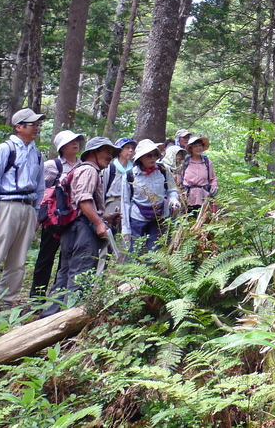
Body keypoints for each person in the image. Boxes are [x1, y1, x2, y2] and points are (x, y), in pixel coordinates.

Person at [0, 108, 46, 319]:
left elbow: (40, 185)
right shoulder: (5, 149)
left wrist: (37, 211)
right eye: (32, 125)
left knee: (18, 260)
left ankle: (6, 305)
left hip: (28, 208)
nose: (36, 128)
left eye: (37, 124)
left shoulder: (36, 153)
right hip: (6, 206)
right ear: (19, 127)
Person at [43, 137, 120, 318]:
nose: (110, 156)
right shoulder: (89, 170)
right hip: (82, 230)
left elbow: (80, 203)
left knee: (65, 273)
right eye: (105, 151)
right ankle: (69, 321)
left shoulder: (80, 169)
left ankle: (50, 317)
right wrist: (99, 223)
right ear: (92, 153)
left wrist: (105, 216)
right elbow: (84, 200)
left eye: (111, 153)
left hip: (72, 228)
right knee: (80, 274)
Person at [30, 130, 85, 300]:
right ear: (62, 147)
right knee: (46, 257)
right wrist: (38, 216)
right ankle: (37, 297)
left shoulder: (83, 165)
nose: (75, 144)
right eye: (70, 142)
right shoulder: (52, 166)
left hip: (74, 219)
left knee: (66, 259)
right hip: (53, 219)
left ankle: (58, 296)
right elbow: (41, 191)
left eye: (76, 141)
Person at [117, 140, 180, 253]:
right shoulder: (129, 175)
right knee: (134, 253)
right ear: (141, 157)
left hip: (160, 216)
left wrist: (174, 200)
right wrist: (126, 229)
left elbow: (172, 189)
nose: (153, 158)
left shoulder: (163, 170)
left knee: (155, 254)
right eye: (149, 155)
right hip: (137, 219)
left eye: (155, 155)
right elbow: (125, 203)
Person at [182, 136, 217, 214]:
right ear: (190, 149)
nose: (198, 148)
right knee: (188, 220)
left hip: (203, 196)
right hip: (188, 196)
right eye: (195, 146)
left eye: (200, 146)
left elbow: (213, 178)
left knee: (202, 220)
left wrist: (214, 187)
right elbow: (179, 178)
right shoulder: (185, 162)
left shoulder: (207, 162)